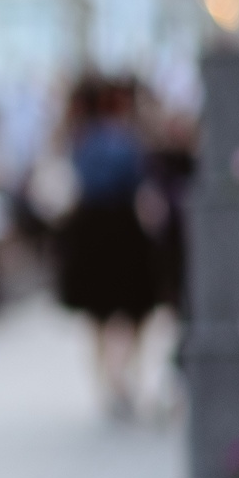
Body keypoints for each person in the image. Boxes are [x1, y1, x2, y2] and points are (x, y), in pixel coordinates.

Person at [55, 76, 162, 418]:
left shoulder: (79, 139)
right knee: (132, 311)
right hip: (120, 228)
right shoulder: (123, 139)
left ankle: (108, 382)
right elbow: (137, 182)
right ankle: (121, 377)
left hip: (89, 229)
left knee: (98, 316)